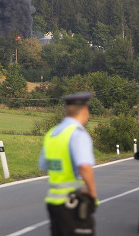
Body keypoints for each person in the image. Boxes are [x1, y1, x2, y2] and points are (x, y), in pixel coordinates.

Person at [39, 92, 99, 236]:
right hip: (73, 203)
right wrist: (92, 193)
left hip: (54, 202)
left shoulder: (53, 133)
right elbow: (84, 167)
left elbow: (44, 165)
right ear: (85, 111)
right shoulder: (78, 133)